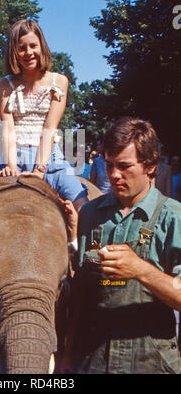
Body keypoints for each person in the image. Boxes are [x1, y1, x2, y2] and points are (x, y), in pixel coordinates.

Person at [62, 117, 181, 374]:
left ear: (150, 167)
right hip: (92, 359)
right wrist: (68, 354)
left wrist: (141, 271)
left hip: (151, 361)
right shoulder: (92, 214)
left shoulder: (173, 218)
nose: (114, 175)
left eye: (125, 166)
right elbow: (83, 291)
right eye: (109, 165)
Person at [0, 19, 88, 212]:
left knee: (83, 204)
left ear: (41, 46)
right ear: (14, 52)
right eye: (21, 48)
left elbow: (49, 128)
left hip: (48, 157)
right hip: (13, 154)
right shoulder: (3, 84)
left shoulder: (59, 82)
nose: (28, 53)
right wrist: (10, 164)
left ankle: (82, 239)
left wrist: (39, 170)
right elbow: (8, 125)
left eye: (33, 46)